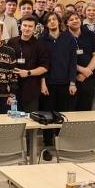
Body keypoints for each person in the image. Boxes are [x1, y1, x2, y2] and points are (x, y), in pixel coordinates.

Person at [39, 12, 77, 160]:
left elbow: (73, 62)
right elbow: (40, 63)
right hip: (48, 84)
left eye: (54, 19)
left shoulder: (69, 38)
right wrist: (42, 82)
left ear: (59, 21)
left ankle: (62, 145)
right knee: (48, 116)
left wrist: (72, 82)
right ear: (46, 24)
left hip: (65, 84)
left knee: (63, 116)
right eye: (49, 20)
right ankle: (47, 146)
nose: (52, 22)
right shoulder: (42, 40)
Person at [7, 16, 49, 113]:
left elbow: (45, 67)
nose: (27, 28)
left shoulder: (40, 45)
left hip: (31, 89)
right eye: (25, 25)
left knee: (31, 118)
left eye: (30, 26)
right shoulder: (11, 42)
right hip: (13, 89)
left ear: (34, 29)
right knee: (13, 118)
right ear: (20, 26)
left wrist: (28, 73)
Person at [65, 11, 95, 111]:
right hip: (70, 79)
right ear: (66, 23)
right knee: (70, 111)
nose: (75, 21)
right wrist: (82, 70)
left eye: (76, 18)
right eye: (71, 20)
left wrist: (86, 72)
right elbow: (63, 60)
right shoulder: (63, 37)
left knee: (86, 110)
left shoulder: (90, 34)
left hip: (88, 79)